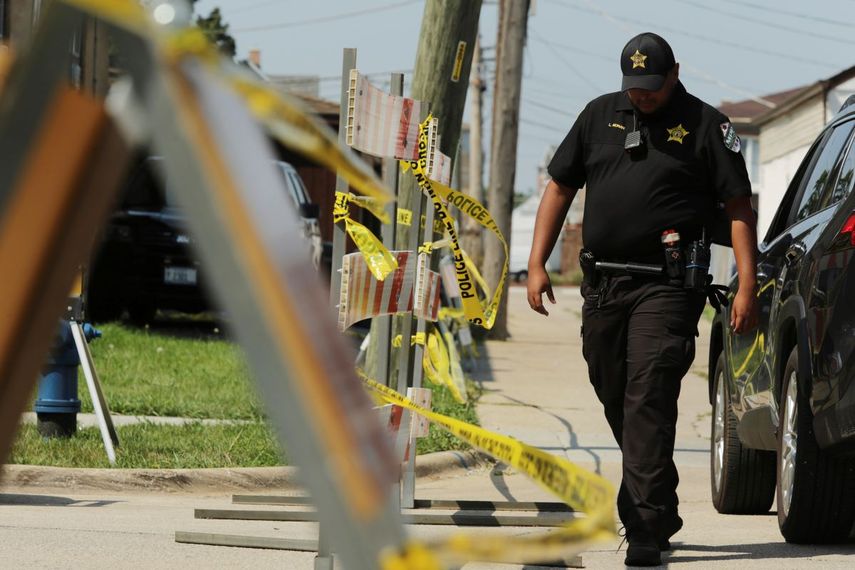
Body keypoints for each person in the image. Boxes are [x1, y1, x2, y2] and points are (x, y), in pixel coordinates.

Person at [527, 32, 759, 567]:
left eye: (652, 87)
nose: (642, 96)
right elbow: (560, 188)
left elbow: (738, 206)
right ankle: (659, 500)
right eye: (634, 88)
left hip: (669, 285)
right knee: (613, 388)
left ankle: (646, 525)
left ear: (675, 72)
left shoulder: (707, 125)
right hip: (605, 283)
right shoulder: (597, 115)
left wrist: (746, 285)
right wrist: (537, 264)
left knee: (648, 393)